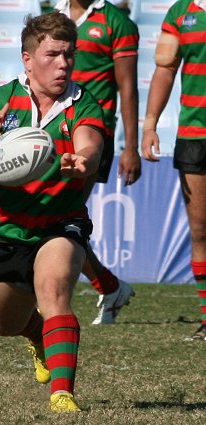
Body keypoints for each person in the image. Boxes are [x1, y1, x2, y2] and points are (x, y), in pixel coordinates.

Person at [0, 11, 106, 413]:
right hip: (8, 229)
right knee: (5, 323)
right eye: (53, 55)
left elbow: (90, 144)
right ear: (27, 58)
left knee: (54, 291)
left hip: (60, 222)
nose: (63, 64)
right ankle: (38, 336)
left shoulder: (82, 101)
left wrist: (84, 161)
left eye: (69, 55)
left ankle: (63, 393)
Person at [52, 0, 141, 324]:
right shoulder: (53, 16)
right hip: (48, 129)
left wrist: (130, 146)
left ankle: (54, 296)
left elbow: (127, 87)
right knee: (50, 218)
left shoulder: (117, 22)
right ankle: (109, 285)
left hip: (91, 134)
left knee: (59, 218)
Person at [141, 0, 206, 341]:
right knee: (200, 231)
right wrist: (149, 124)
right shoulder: (181, 12)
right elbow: (165, 68)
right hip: (195, 136)